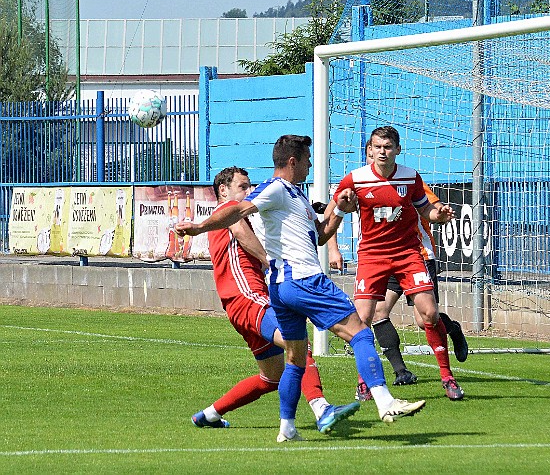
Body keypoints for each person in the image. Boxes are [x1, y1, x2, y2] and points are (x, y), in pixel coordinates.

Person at [176, 135, 426, 443]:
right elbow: (238, 212)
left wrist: (339, 211)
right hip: (304, 280)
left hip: (281, 290)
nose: (310, 164)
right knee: (360, 332)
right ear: (293, 161)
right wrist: (200, 227)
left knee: (294, 358)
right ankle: (386, 402)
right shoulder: (276, 188)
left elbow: (320, 236)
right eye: (307, 159)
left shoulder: (296, 198)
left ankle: (287, 429)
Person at [190, 166, 360, 435]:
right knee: (297, 345)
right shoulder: (229, 212)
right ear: (223, 190)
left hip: (239, 303)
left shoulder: (239, 213)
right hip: (248, 295)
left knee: (272, 376)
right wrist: (268, 262)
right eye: (242, 186)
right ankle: (321, 407)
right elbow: (242, 233)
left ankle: (209, 414)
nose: (248, 191)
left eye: (249, 186)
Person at [325, 126, 465, 401]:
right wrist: (333, 248)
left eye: (388, 147)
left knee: (429, 314)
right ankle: (364, 382)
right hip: (372, 256)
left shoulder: (410, 177)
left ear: (397, 150)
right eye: (377, 147)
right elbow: (335, 210)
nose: (382, 152)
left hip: (407, 254)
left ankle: (447, 377)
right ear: (369, 151)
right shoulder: (356, 179)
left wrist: (439, 215)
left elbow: (426, 209)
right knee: (363, 318)